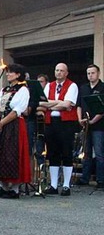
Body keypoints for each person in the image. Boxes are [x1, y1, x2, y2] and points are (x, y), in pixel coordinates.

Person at [0, 63, 31, 198]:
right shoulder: (4, 89)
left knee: (12, 154)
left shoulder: (23, 90)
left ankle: (15, 189)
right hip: (2, 124)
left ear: (18, 75)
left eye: (10, 72)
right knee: (1, 154)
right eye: (7, 72)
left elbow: (17, 111)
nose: (8, 74)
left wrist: (1, 122)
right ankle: (4, 186)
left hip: (14, 125)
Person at [39, 63, 79, 196]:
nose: (59, 73)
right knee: (52, 153)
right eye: (57, 70)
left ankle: (66, 185)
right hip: (51, 122)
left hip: (66, 123)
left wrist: (50, 104)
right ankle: (54, 185)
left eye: (62, 71)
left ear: (66, 73)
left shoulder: (72, 85)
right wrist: (58, 104)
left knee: (66, 152)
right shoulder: (49, 86)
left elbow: (67, 104)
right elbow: (41, 103)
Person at [75, 64, 104, 188]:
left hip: (99, 126)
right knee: (86, 153)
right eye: (88, 73)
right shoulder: (83, 88)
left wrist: (93, 120)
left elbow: (103, 109)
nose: (90, 75)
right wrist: (80, 119)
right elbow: (79, 105)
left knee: (99, 153)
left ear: (98, 73)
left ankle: (101, 179)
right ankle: (84, 178)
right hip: (85, 125)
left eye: (92, 73)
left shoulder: (103, 87)